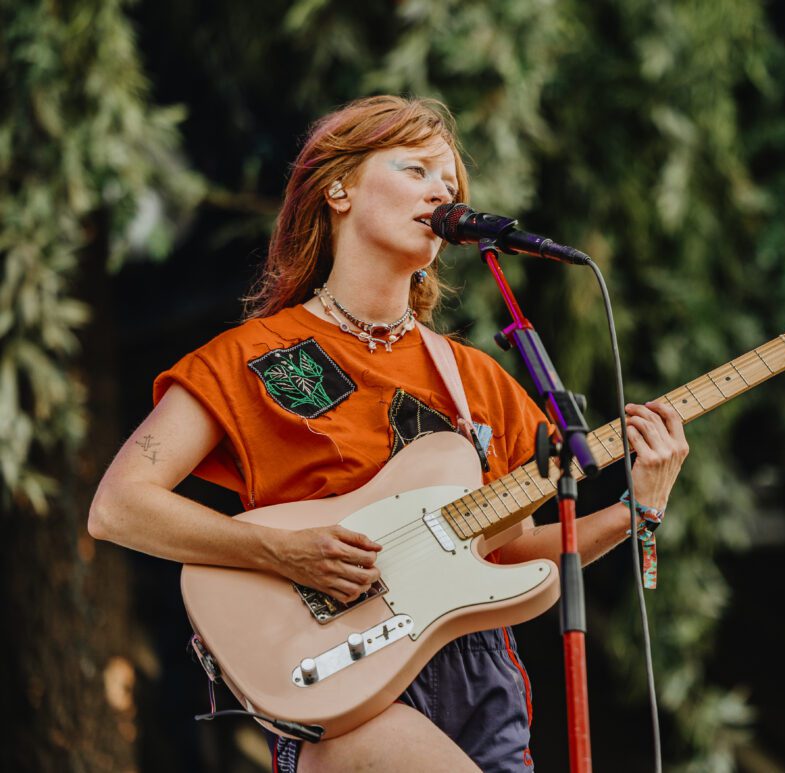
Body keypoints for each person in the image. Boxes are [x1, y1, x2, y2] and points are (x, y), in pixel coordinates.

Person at [88, 95, 689, 772]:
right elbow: (118, 506)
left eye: (451, 184)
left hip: (478, 679)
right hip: (337, 673)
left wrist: (638, 510)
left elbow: (509, 550)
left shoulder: (476, 378)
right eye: (416, 169)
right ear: (338, 189)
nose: (442, 193)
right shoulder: (248, 356)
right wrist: (280, 551)